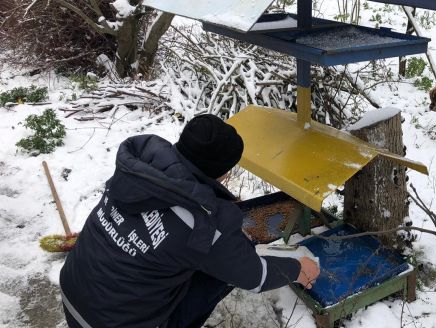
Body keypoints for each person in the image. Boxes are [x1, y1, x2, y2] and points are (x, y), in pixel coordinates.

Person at [59, 114, 320, 328]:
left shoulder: (137, 172)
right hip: (116, 323)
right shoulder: (204, 223)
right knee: (227, 267)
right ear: (223, 172)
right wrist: (299, 269)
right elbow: (256, 277)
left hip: (74, 299)